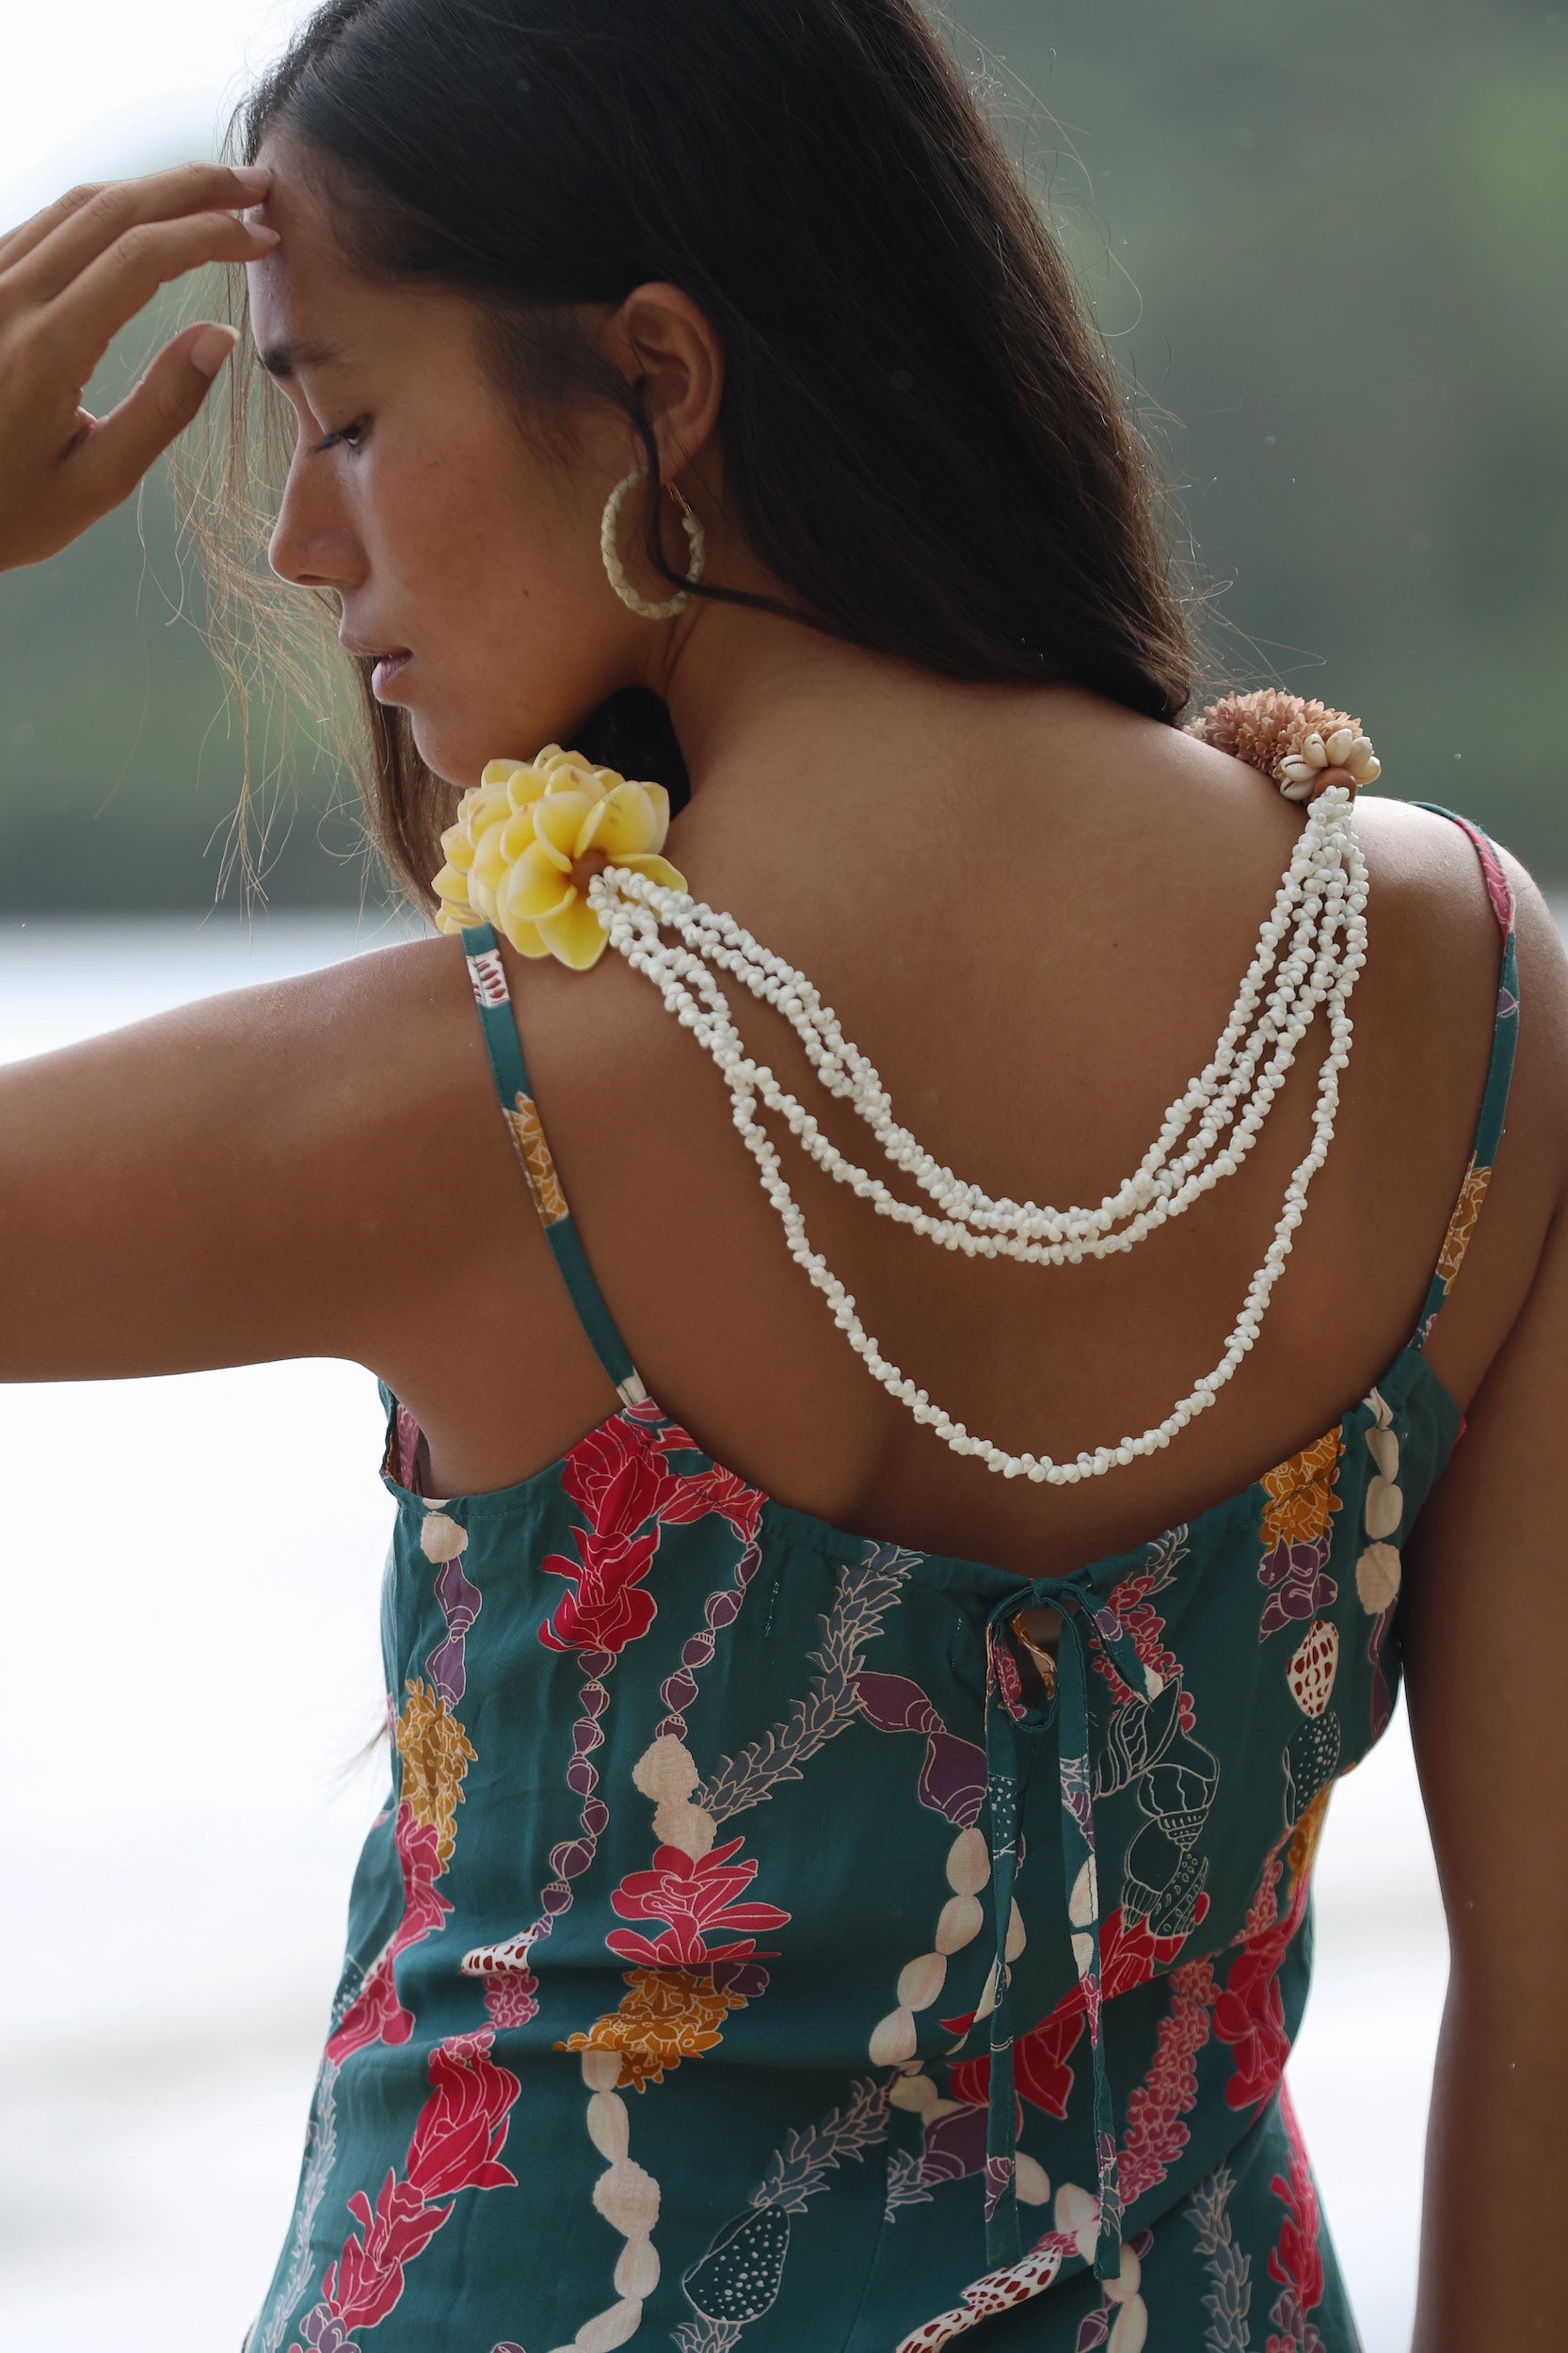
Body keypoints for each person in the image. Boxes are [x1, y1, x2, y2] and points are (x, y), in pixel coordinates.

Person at [2, 3, 1563, 2347]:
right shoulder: (1462, 994)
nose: (305, 536)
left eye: (343, 416)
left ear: (656, 379)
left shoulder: (468, 1104)